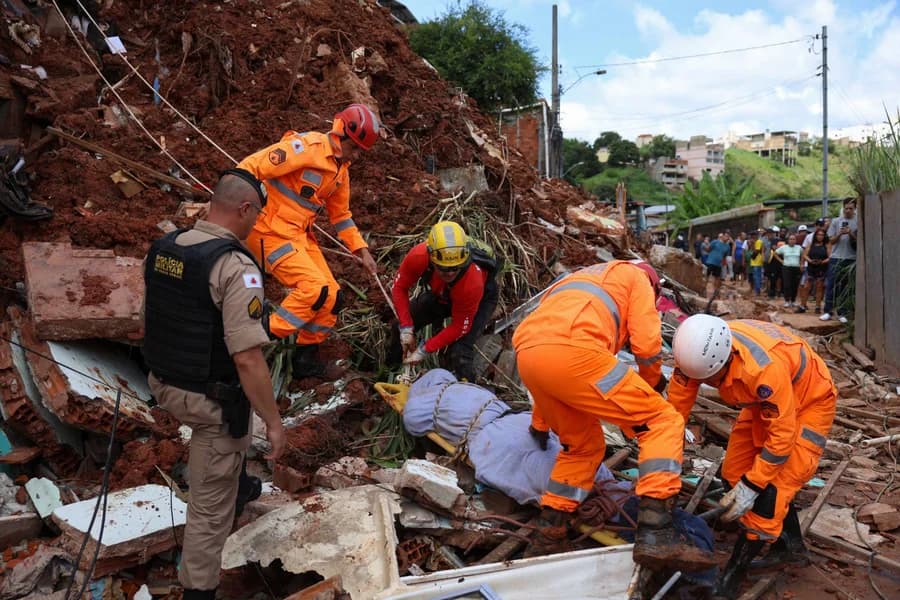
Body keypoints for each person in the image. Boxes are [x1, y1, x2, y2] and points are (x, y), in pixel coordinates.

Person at [512, 261, 717, 573]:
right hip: (577, 354)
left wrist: (540, 423)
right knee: (663, 422)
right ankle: (656, 531)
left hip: (528, 354)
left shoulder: (578, 278)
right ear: (654, 285)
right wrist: (651, 384)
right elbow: (647, 346)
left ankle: (548, 532)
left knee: (582, 447)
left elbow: (548, 350)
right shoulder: (637, 279)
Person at [142, 171, 287, 600]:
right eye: (256, 215)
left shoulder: (166, 247)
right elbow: (246, 357)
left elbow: (148, 318)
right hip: (209, 403)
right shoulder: (235, 267)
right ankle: (199, 591)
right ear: (245, 209)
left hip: (164, 381)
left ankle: (238, 482)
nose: (256, 224)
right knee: (208, 511)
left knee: (231, 445)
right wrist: (274, 423)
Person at [669, 315, 836, 599]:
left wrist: (754, 486)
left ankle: (734, 575)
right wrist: (665, 469)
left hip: (808, 399)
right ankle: (791, 546)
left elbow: (781, 441)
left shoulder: (761, 371)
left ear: (724, 362)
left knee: (771, 493)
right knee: (734, 473)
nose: (704, 384)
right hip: (764, 403)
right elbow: (673, 416)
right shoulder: (692, 356)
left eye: (710, 379)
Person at [237, 103, 381, 377]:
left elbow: (342, 216)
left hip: (298, 235)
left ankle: (305, 360)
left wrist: (361, 250)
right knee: (314, 291)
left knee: (332, 297)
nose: (357, 157)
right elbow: (251, 167)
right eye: (355, 149)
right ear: (341, 135)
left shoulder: (341, 171)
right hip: (269, 230)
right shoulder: (306, 148)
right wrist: (234, 205)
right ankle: (251, 337)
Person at [389, 221, 499, 382]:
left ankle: (467, 392)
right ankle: (389, 371)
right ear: (432, 258)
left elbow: (460, 326)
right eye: (443, 268)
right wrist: (406, 328)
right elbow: (399, 287)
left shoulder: (471, 281)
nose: (450, 273)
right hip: (442, 294)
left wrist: (425, 349)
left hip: (478, 299)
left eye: (455, 268)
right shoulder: (419, 256)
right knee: (397, 327)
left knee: (460, 353)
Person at [821, 199, 858, 323]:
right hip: (836, 257)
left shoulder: (859, 221)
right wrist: (840, 234)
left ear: (855, 209)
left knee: (845, 286)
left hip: (851, 258)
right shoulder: (836, 222)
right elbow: (831, 241)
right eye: (846, 208)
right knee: (831, 285)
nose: (848, 210)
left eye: (851, 208)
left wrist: (851, 234)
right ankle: (827, 311)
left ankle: (842, 312)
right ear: (843, 208)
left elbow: (860, 241)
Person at [797, 228, 830, 313]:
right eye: (818, 235)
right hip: (811, 267)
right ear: (815, 236)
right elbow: (804, 254)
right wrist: (809, 261)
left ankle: (818, 306)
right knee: (806, 287)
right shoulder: (811, 245)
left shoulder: (826, 245)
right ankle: (803, 305)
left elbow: (830, 257)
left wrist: (822, 261)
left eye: (822, 235)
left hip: (821, 268)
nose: (820, 236)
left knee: (819, 287)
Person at [775, 234, 803, 308]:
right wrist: (781, 261)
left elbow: (803, 255)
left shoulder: (799, 248)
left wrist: (801, 263)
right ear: (788, 240)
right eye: (790, 239)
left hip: (796, 268)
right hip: (786, 267)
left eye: (794, 239)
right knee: (787, 284)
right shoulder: (784, 247)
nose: (792, 241)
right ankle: (787, 301)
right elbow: (775, 253)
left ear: (796, 240)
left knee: (795, 285)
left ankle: (793, 300)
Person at [748, 230, 765, 295]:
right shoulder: (753, 242)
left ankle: (757, 291)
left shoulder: (758, 242)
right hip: (754, 262)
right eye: (751, 236)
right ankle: (757, 290)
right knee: (755, 276)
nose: (752, 237)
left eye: (753, 235)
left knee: (757, 276)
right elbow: (751, 249)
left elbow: (756, 251)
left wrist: (753, 244)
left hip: (757, 261)